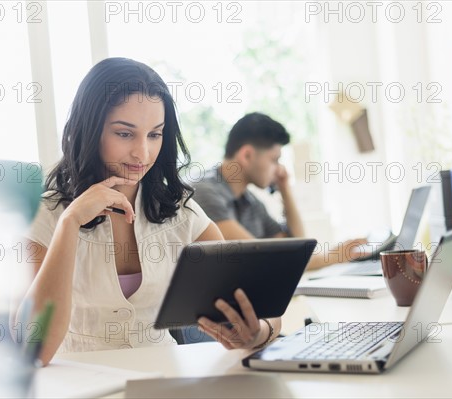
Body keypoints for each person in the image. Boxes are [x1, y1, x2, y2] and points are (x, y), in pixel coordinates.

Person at [18, 58, 281, 366]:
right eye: (124, 133)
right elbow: (32, 349)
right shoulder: (45, 214)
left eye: (155, 134)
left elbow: (265, 307)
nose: (142, 153)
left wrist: (258, 333)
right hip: (77, 385)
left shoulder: (181, 212)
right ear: (89, 129)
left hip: (163, 380)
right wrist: (70, 223)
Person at [192, 112, 366, 270]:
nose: (280, 169)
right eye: (274, 160)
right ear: (246, 155)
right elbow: (262, 260)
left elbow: (296, 248)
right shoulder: (204, 192)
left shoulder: (250, 201)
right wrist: (334, 256)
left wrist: (285, 189)